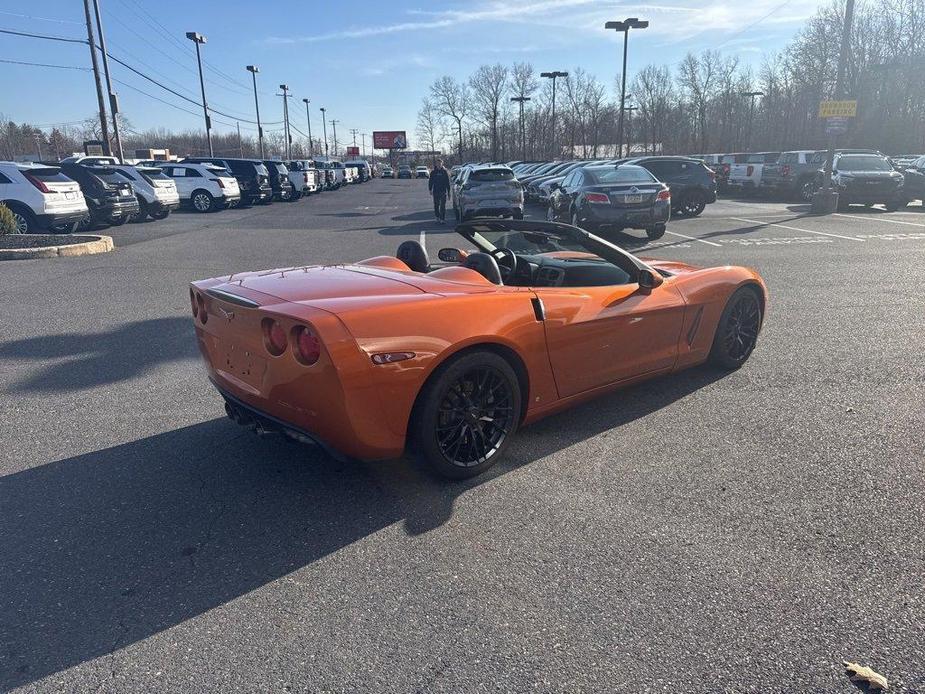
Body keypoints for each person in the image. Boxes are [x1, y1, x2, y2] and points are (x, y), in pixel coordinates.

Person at [428, 159, 451, 223]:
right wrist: (430, 189)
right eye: (437, 163)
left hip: (443, 191)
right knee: (436, 205)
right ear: (436, 164)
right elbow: (431, 181)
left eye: (440, 163)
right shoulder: (433, 172)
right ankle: (437, 217)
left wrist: (449, 192)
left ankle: (442, 219)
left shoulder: (445, 172)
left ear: (442, 164)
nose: (439, 165)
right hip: (436, 191)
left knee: (443, 205)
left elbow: (447, 182)